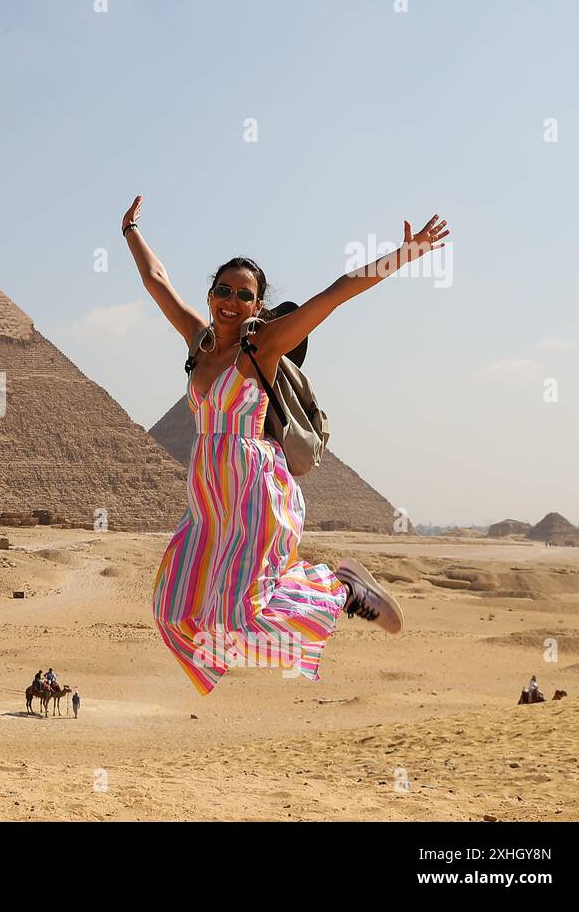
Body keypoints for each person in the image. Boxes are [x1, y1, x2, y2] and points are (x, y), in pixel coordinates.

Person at [125, 196, 445, 694]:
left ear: (258, 306)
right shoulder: (199, 343)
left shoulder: (263, 348)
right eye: (222, 290)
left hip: (253, 486)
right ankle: (330, 593)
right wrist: (130, 231)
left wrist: (403, 255)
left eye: (244, 295)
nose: (230, 301)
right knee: (173, 612)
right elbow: (156, 281)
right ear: (210, 294)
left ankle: (339, 590)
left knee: (240, 621)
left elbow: (334, 295)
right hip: (208, 497)